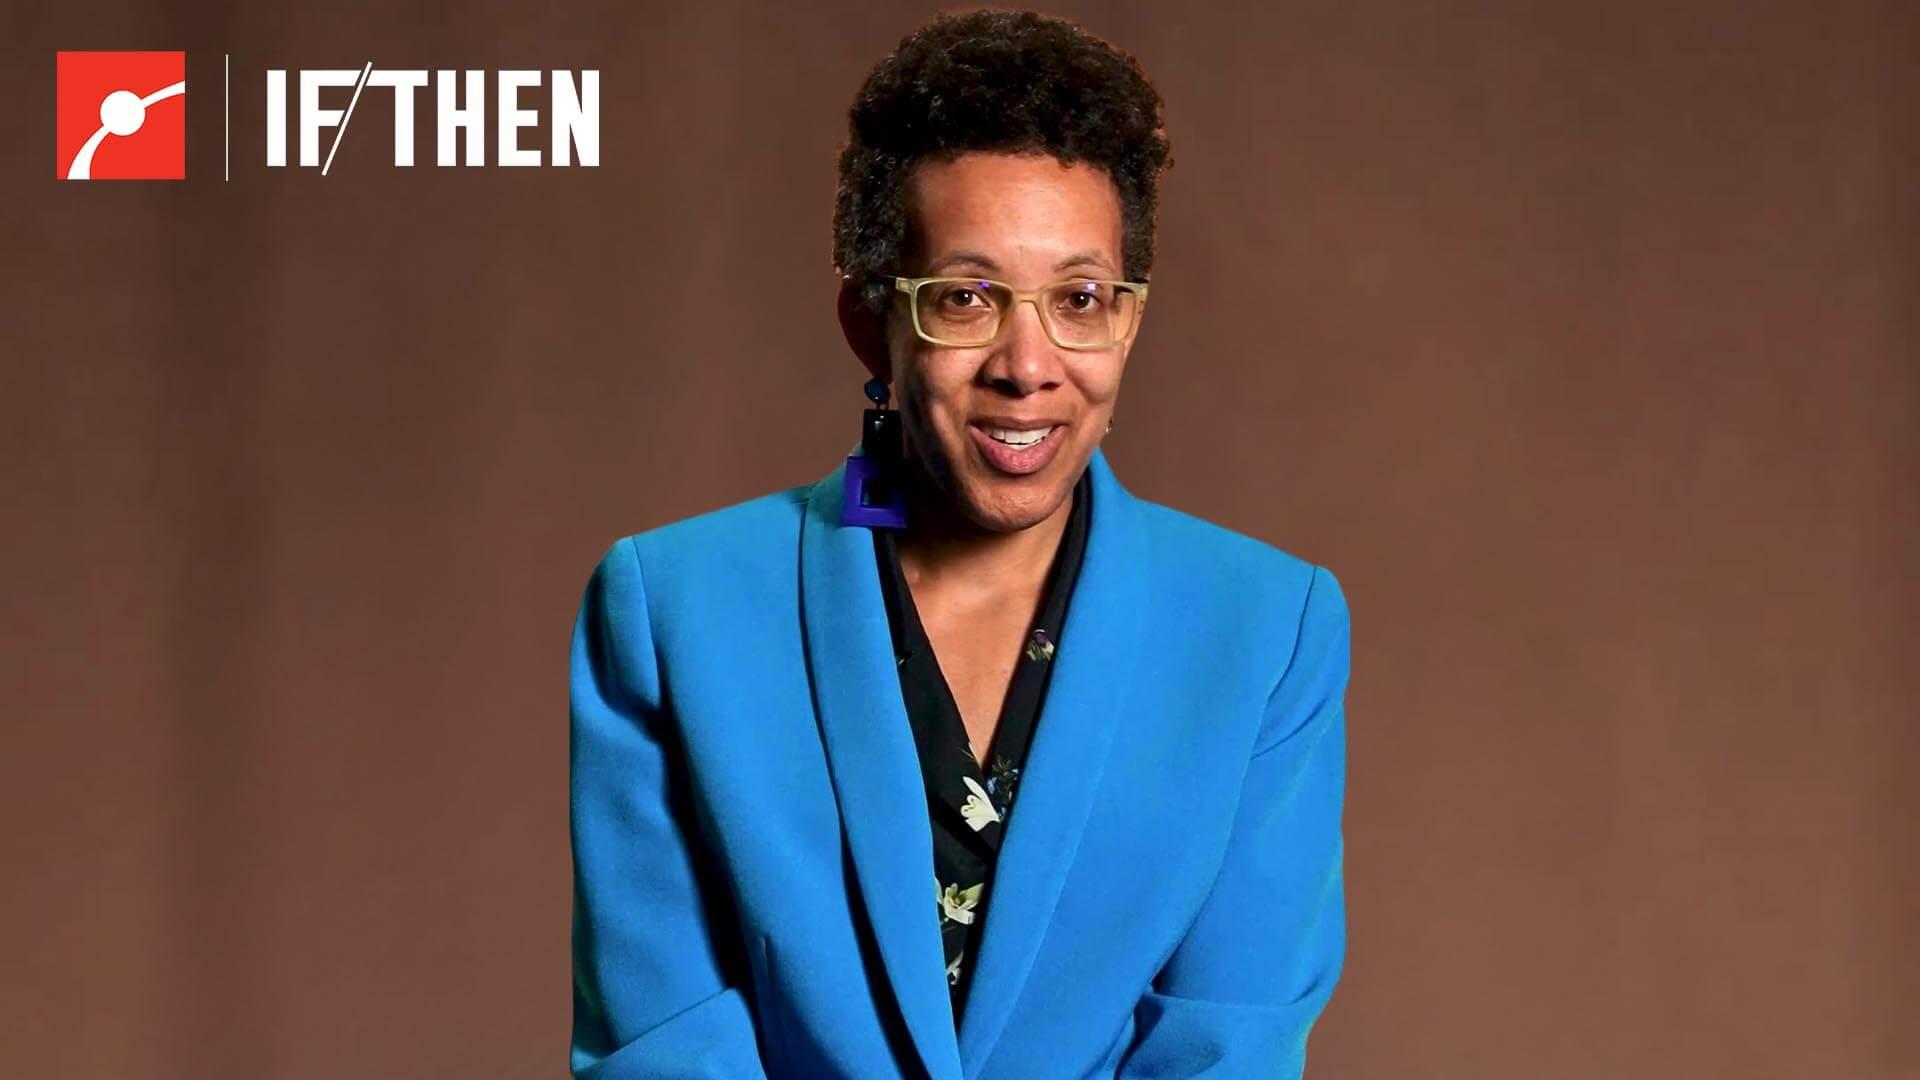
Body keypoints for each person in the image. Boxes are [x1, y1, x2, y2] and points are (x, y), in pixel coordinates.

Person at [568, 9, 1351, 1078]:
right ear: (869, 324)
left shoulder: (1267, 631)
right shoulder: (671, 610)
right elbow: (665, 1042)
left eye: (1080, 298)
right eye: (966, 298)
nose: (1028, 364)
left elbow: (1230, 1042)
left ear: (1128, 320)